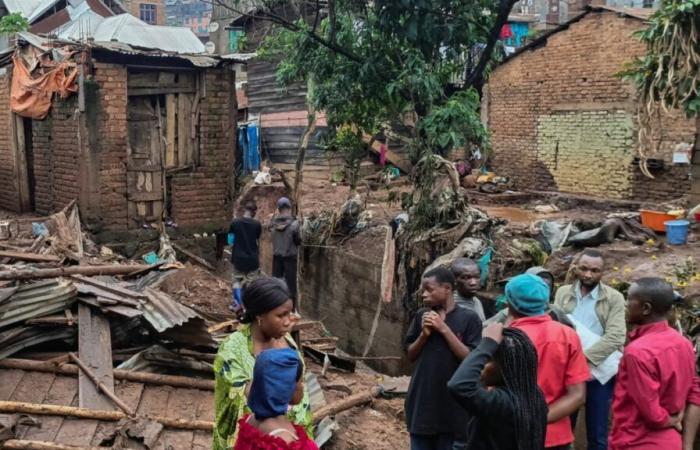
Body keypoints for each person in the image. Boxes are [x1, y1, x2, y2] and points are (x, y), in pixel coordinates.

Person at [213, 277, 312, 450]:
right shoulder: (232, 349)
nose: (288, 321)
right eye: (281, 315)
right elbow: (237, 399)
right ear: (259, 315)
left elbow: (299, 390)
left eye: (290, 314)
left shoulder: (288, 343)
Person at [609, 277, 700, 450]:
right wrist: (687, 444)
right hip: (671, 441)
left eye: (629, 299)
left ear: (646, 308)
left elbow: (653, 414)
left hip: (637, 441)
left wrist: (670, 420)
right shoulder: (684, 344)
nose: (626, 304)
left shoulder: (637, 352)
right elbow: (695, 391)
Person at [507, 274, 590, 450]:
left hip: (511, 435)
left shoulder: (504, 339)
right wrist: (539, 419)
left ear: (509, 304)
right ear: (546, 303)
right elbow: (577, 395)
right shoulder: (568, 335)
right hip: (555, 435)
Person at [554, 249, 626, 450]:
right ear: (576, 267)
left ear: (603, 272)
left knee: (597, 430)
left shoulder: (614, 298)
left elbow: (616, 336)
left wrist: (582, 359)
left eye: (595, 270)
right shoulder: (563, 293)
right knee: (564, 425)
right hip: (567, 370)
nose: (588, 274)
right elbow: (556, 328)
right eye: (584, 268)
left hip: (598, 371)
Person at [404, 267, 482, 450]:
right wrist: (424, 335)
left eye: (429, 289)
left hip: (453, 407)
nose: (424, 295)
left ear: (447, 289)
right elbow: (410, 355)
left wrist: (444, 329)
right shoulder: (421, 316)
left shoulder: (469, 318)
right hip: (423, 401)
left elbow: (470, 358)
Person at [448, 323, 547, 450]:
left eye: (489, 359)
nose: (483, 365)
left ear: (505, 368)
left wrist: (488, 344)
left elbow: (459, 385)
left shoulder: (504, 403)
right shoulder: (533, 396)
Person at [234, 348, 318, 450]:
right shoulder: (288, 442)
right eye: (300, 381)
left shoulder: (250, 421)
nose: (302, 386)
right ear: (287, 388)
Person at [229, 200, 263, 310]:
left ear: (245, 210)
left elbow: (230, 241)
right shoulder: (257, 224)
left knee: (237, 282)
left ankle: (237, 304)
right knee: (251, 283)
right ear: (254, 212)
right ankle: (250, 306)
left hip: (238, 259)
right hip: (252, 260)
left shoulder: (234, 223)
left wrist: (234, 247)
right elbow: (257, 239)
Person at [271, 197, 301, 309]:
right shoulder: (295, 224)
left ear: (279, 209)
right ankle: (292, 310)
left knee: (276, 283)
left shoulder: (273, 223)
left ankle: (276, 306)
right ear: (289, 208)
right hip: (290, 259)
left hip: (276, 257)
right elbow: (298, 241)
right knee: (291, 285)